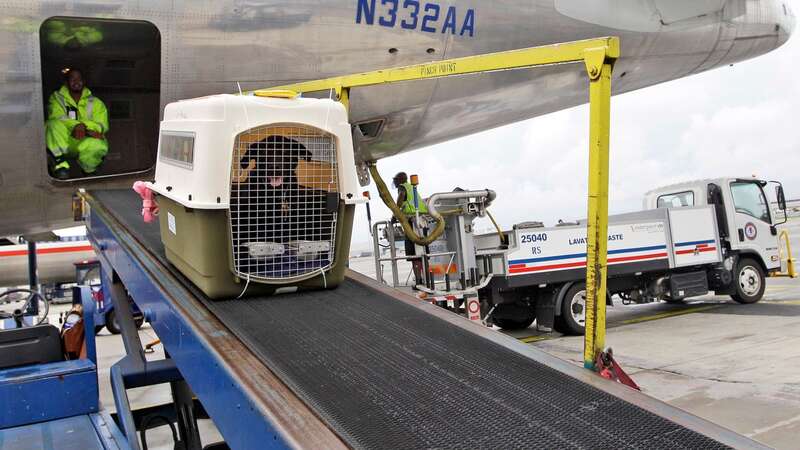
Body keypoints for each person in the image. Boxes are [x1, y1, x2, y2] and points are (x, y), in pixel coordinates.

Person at [45, 68, 109, 179]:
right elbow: (56, 116)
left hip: (85, 139)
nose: (76, 82)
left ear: (84, 81)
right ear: (66, 82)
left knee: (98, 144)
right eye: (72, 78)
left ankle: (89, 171)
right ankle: (60, 166)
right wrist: (75, 126)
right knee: (53, 124)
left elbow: (102, 125)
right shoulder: (56, 98)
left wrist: (84, 128)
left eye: (79, 79)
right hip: (64, 140)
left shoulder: (96, 103)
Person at [393, 172, 428, 287]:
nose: (395, 183)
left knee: (414, 255)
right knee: (423, 254)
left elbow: (401, 197)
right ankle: (427, 280)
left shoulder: (403, 187)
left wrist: (395, 213)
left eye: (396, 180)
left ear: (400, 180)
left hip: (412, 222)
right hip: (421, 221)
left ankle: (419, 281)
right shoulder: (411, 187)